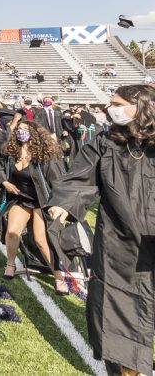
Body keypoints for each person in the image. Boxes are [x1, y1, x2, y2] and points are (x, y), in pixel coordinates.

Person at [48, 85, 155, 376]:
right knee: (117, 320)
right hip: (119, 247)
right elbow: (79, 177)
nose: (110, 109)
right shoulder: (106, 143)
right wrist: (65, 204)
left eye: (117, 104)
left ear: (141, 107)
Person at [0, 118, 67, 292]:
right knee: (12, 232)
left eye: (24, 129)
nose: (20, 133)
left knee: (40, 239)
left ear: (34, 133)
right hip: (21, 199)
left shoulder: (45, 155)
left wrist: (58, 204)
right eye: (18, 129)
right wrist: (5, 182)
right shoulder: (10, 150)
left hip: (41, 201)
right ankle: (10, 264)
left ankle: (58, 276)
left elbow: (58, 180)